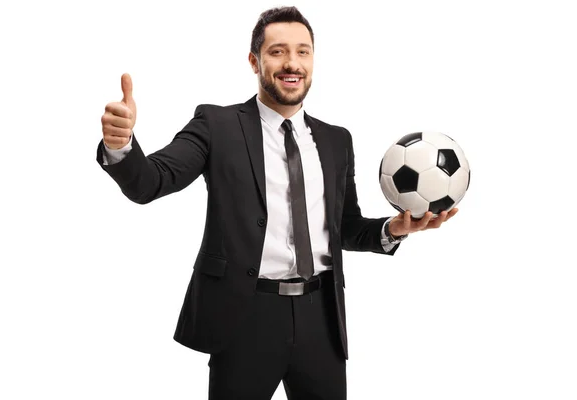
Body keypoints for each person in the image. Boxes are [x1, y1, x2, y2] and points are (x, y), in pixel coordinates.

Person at [97, 6, 458, 400]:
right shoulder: (216, 126)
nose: (292, 63)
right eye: (278, 51)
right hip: (244, 316)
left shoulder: (337, 140)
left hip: (321, 317)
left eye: (303, 52)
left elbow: (346, 228)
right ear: (255, 61)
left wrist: (393, 230)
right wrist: (122, 147)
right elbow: (151, 182)